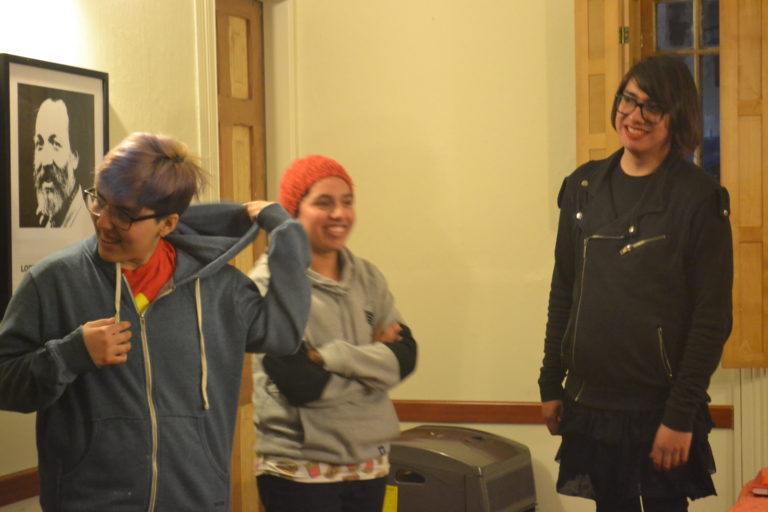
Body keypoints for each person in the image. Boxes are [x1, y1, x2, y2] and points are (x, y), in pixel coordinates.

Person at [0, 132, 311, 511]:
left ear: (167, 224)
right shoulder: (53, 281)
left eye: (124, 214)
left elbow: (284, 335)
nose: (104, 222)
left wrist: (287, 234)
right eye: (99, 201)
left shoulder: (220, 288)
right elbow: (4, 381)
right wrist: (69, 356)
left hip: (196, 502)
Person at [538, 55, 733, 512]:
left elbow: (712, 319)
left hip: (661, 408)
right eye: (628, 99)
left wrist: (679, 416)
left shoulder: (699, 198)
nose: (634, 115)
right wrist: (550, 381)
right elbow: (563, 291)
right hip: (591, 405)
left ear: (677, 116)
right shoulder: (583, 187)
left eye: (652, 106)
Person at [249, 155, 417, 512]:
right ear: (294, 212)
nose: (339, 214)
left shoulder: (368, 277)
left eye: (347, 202)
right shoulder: (268, 283)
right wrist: (373, 371)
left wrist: (331, 358)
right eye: (323, 203)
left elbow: (405, 356)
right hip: (298, 468)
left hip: (370, 463)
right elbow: (302, 383)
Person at [32, 97, 91, 230]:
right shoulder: (48, 221)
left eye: (56, 144)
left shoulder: (84, 225)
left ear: (74, 157)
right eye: (39, 144)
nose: (46, 161)